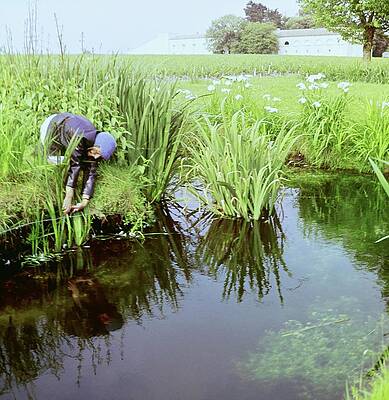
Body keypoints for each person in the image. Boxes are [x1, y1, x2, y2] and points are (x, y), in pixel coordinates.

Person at [40, 113, 116, 214]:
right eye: (97, 152)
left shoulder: (94, 145)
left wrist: (84, 202)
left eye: (100, 156)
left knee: (83, 160)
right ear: (97, 143)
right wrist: (68, 197)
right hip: (53, 125)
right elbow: (75, 165)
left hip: (68, 131)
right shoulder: (81, 137)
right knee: (58, 162)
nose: (96, 157)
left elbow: (91, 171)